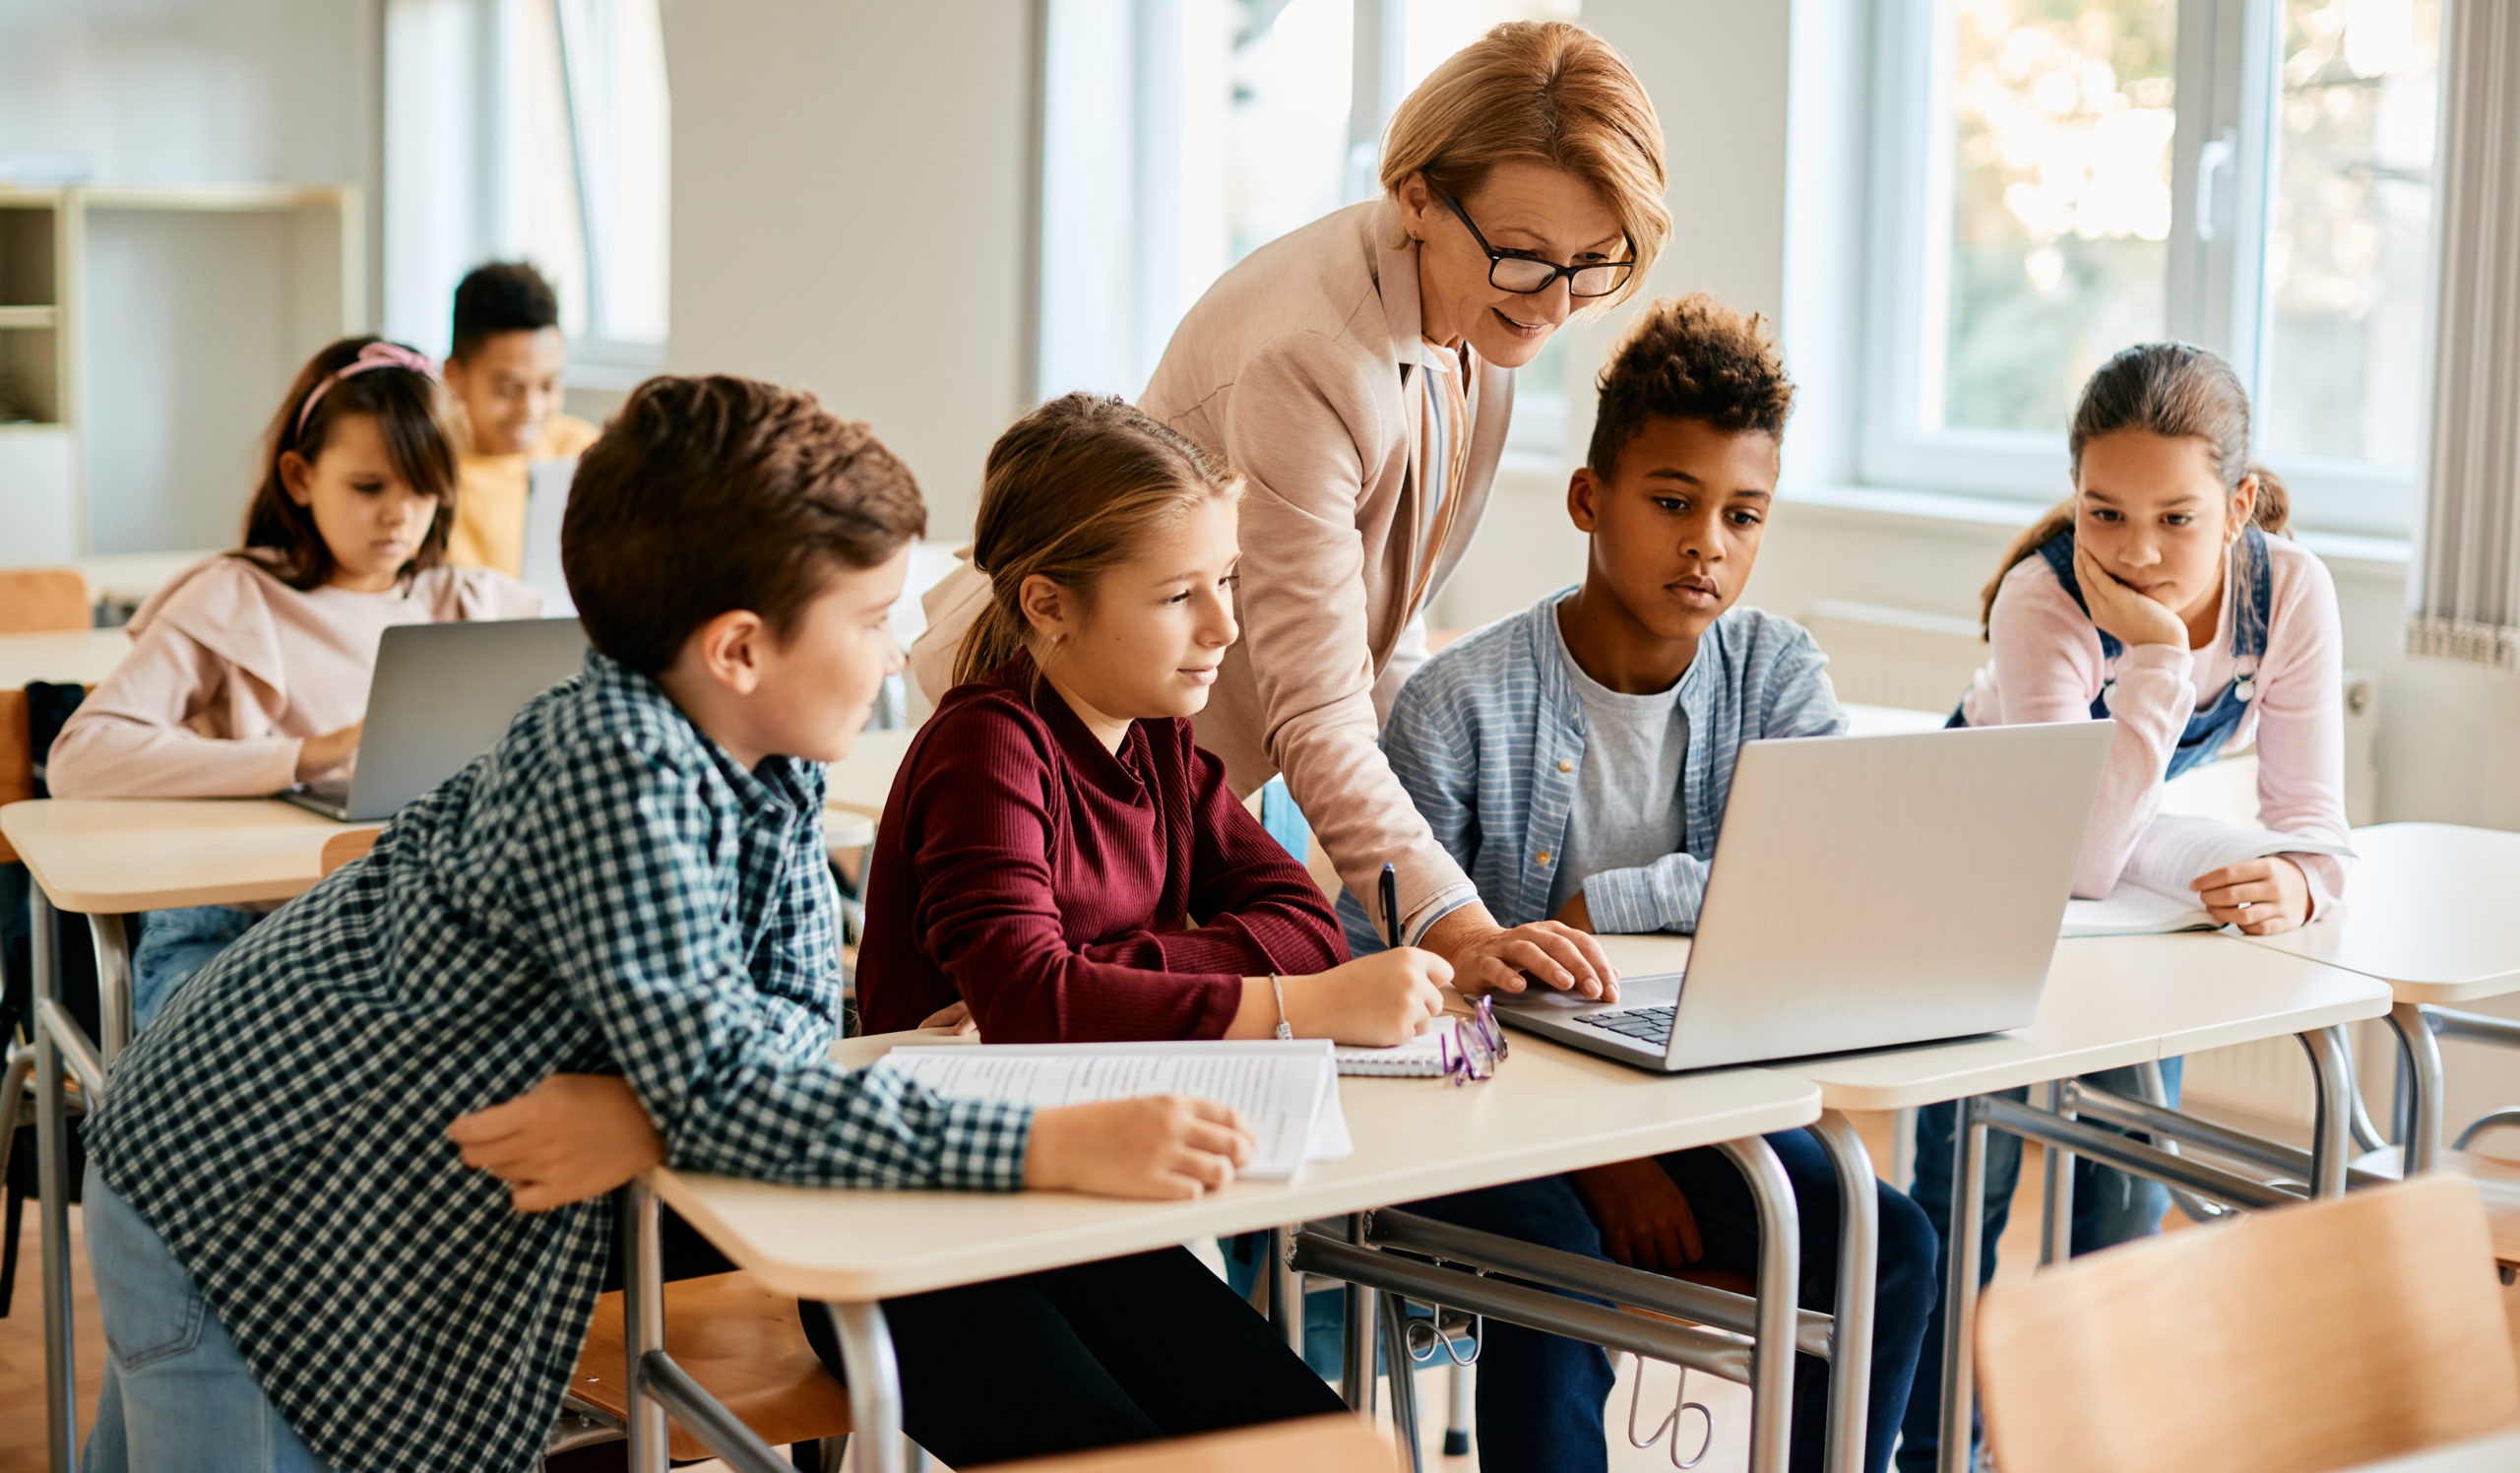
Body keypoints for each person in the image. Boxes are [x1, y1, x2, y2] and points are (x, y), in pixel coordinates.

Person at [74, 374, 1333, 1473]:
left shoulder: (766, 758)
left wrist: (658, 1102)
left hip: (336, 1184)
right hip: (239, 1192)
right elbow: (741, 1083)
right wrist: (1046, 1142)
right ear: (739, 646)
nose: (903, 649)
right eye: (869, 615)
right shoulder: (616, 763)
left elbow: (781, 1033)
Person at [914, 20, 1669, 1002]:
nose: (1555, 302)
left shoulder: (1486, 316)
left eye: (1594, 262)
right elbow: (1317, 702)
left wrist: (1460, 888)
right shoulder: (1316, 354)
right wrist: (1454, 917)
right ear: (1417, 198)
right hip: (1061, 740)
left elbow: (1375, 641)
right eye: (1526, 256)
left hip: (1177, 765)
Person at [1366, 296, 1937, 1473]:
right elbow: (1409, 982)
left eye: (1742, 515)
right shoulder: (1457, 705)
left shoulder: (1774, 670)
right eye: (1671, 502)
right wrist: (1598, 1154)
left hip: (1697, 1102)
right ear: (1589, 500)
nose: (1706, 545)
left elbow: (1819, 875)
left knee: (1897, 1239)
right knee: (1548, 1251)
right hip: (1500, 1129)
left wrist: (1595, 907)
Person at [1898, 342, 2350, 1473]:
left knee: (2127, 1172)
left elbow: (2313, 820)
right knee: (1969, 1185)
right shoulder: (2042, 600)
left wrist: (2298, 878)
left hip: (2114, 879)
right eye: (2102, 511)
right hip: (1989, 862)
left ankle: (2084, 1443)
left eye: (2176, 518)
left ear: (2239, 503)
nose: (2136, 552)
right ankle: (1930, 1449)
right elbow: (2074, 856)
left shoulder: (2288, 589)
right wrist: (2151, 654)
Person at [856, 392, 1452, 1048]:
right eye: (1177, 596)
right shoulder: (986, 748)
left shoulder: (1156, 738)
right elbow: (1028, 1003)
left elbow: (1309, 928)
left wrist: (1084, 984)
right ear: (1048, 606)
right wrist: (1297, 1006)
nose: (1225, 627)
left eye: (1226, 580)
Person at [47, 335, 539, 1027]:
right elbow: (79, 759)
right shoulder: (231, 597)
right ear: (300, 477)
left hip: (407, 932)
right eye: (369, 487)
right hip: (237, 930)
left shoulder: (479, 605)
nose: (399, 515)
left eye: (423, 489)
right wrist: (307, 754)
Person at [440, 260, 600, 575]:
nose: (531, 409)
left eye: (548, 385)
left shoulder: (582, 452)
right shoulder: (427, 472)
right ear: (454, 376)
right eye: (508, 389)